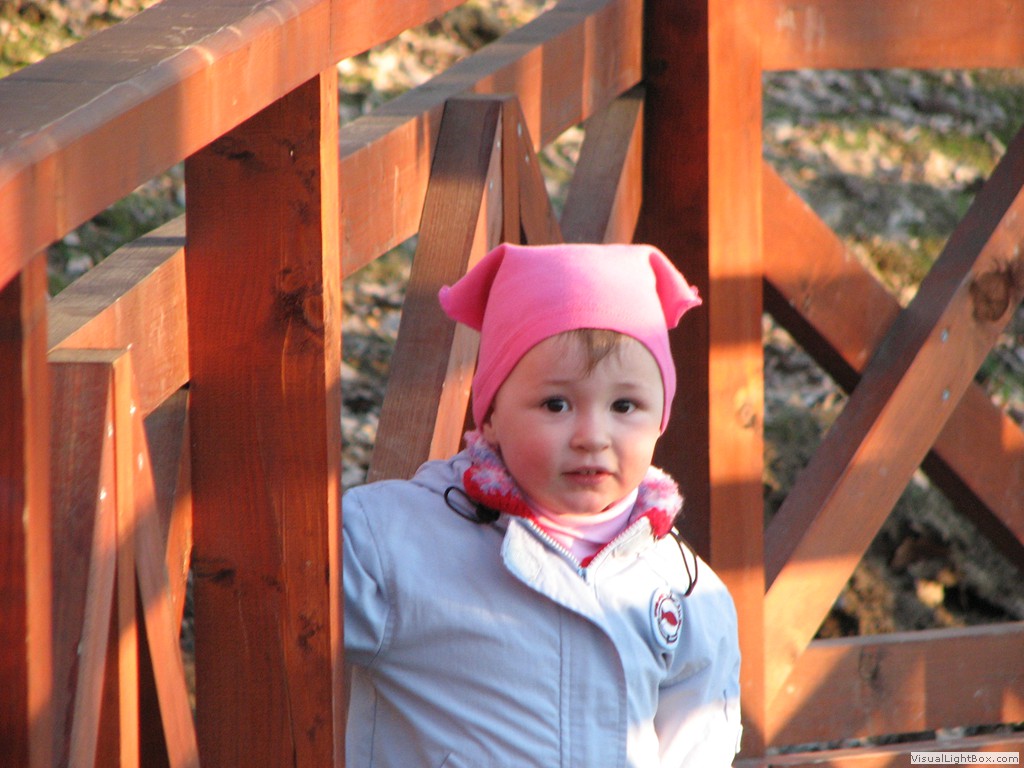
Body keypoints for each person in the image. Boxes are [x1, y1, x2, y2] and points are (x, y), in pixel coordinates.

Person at [343, 242, 742, 767]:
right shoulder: (390, 543)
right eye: (556, 404)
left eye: (625, 405)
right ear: (490, 416)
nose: (592, 436)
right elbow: (269, 610)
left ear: (660, 418)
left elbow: (698, 742)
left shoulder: (686, 589)